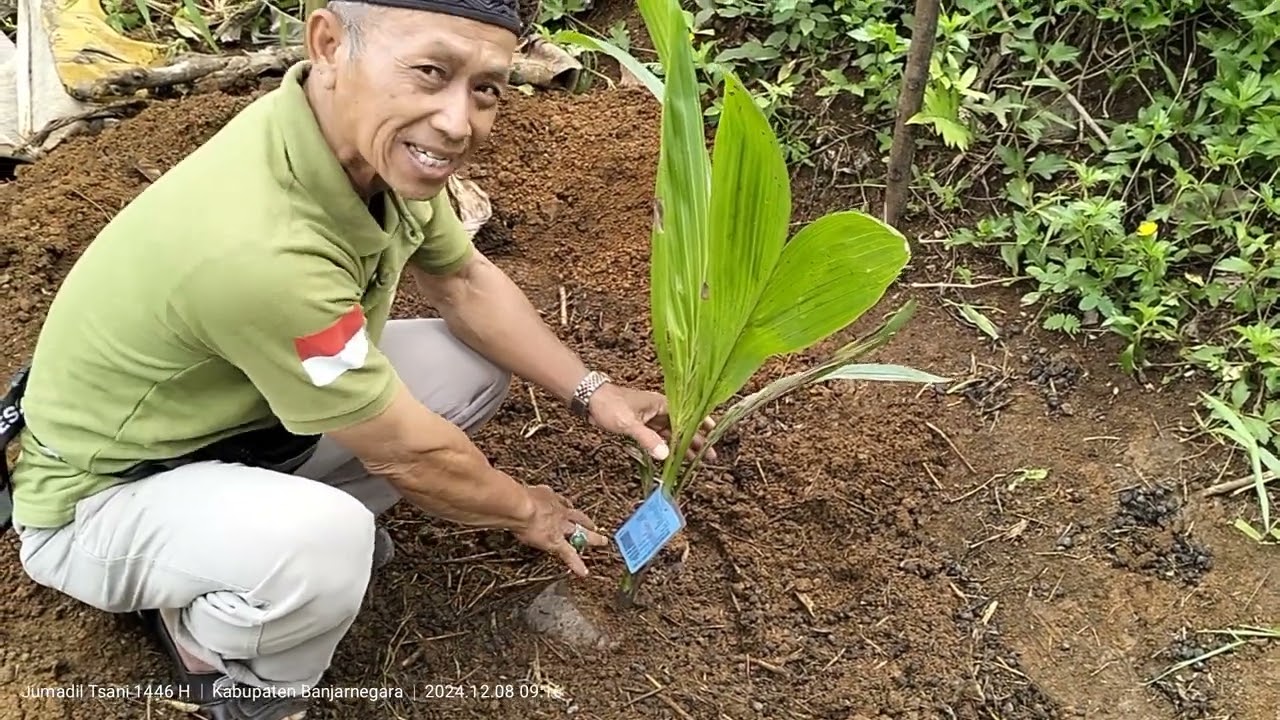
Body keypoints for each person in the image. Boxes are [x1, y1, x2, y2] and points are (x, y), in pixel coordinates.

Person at [1, 0, 713, 718]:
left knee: (465, 369)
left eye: (486, 88)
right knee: (326, 543)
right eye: (430, 71)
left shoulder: (364, 149)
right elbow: (411, 455)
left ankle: (260, 556)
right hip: (101, 500)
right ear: (328, 42)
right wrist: (527, 509)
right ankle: (224, 658)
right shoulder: (259, 245)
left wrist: (592, 390)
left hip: (233, 429)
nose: (458, 122)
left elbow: (463, 282)